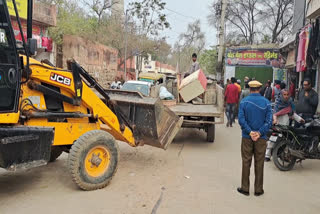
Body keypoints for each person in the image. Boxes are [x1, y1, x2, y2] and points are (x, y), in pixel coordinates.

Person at [238, 80, 272, 197]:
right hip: (261, 138)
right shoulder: (266, 103)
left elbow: (241, 120)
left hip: (247, 137)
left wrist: (250, 132)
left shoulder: (244, 102)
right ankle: (258, 190)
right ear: (260, 89)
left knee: (246, 161)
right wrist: (259, 132)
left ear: (250, 88)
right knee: (260, 163)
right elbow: (269, 122)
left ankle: (245, 188)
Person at [265, 89, 303, 162]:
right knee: (272, 140)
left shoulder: (289, 104)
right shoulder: (277, 104)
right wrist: (275, 120)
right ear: (281, 95)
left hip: (285, 126)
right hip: (277, 125)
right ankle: (267, 155)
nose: (286, 96)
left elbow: (292, 114)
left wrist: (300, 119)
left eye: (287, 95)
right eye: (284, 95)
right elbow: (274, 113)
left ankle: (284, 156)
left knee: (286, 140)